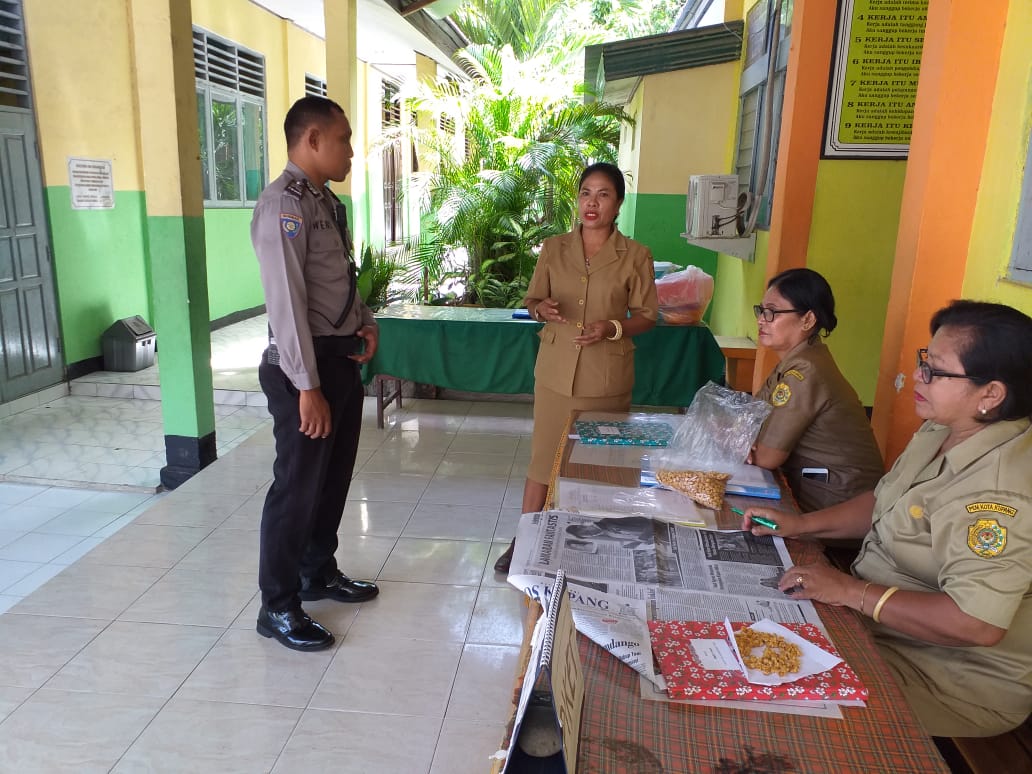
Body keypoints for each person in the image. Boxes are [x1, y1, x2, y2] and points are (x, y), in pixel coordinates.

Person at [742, 300, 1032, 737]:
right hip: (876, 629)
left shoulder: (998, 493)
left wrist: (853, 592)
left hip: (943, 677)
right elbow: (885, 501)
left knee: (771, 708)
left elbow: (976, 623)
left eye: (936, 370)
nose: (918, 376)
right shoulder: (943, 427)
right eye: (924, 361)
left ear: (990, 394)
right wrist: (800, 524)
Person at [251, 96, 380, 652]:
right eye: (344, 138)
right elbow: (287, 302)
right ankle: (278, 606)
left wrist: (365, 321)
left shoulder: (325, 201)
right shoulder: (283, 204)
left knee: (333, 477)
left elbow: (335, 278)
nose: (351, 149)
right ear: (312, 141)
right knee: (297, 487)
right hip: (303, 368)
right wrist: (307, 387)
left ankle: (317, 571)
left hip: (337, 356)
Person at [493, 162, 659, 573]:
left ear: (618, 203)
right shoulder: (553, 248)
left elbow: (648, 316)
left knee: (598, 462)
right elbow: (532, 302)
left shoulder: (635, 256)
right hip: (555, 373)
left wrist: (613, 328)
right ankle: (525, 538)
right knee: (543, 460)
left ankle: (589, 543)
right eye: (586, 192)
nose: (592, 202)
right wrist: (541, 309)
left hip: (606, 376)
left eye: (604, 194)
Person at [751, 268, 884, 512]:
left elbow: (766, 457)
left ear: (808, 320)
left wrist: (742, 444)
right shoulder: (799, 359)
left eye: (772, 312)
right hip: (818, 492)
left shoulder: (806, 371)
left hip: (840, 505)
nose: (761, 319)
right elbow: (749, 420)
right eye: (761, 310)